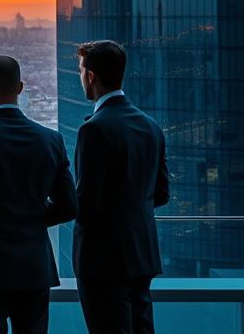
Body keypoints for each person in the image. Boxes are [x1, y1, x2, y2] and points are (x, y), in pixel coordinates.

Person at [0, 55, 77, 334]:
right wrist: (28, 218)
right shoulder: (49, 139)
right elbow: (69, 206)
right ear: (20, 88)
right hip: (33, 266)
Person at [72, 40, 170, 334]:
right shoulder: (150, 125)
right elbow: (162, 193)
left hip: (102, 260)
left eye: (80, 71)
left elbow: (86, 205)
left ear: (90, 76)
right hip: (142, 253)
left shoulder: (95, 129)